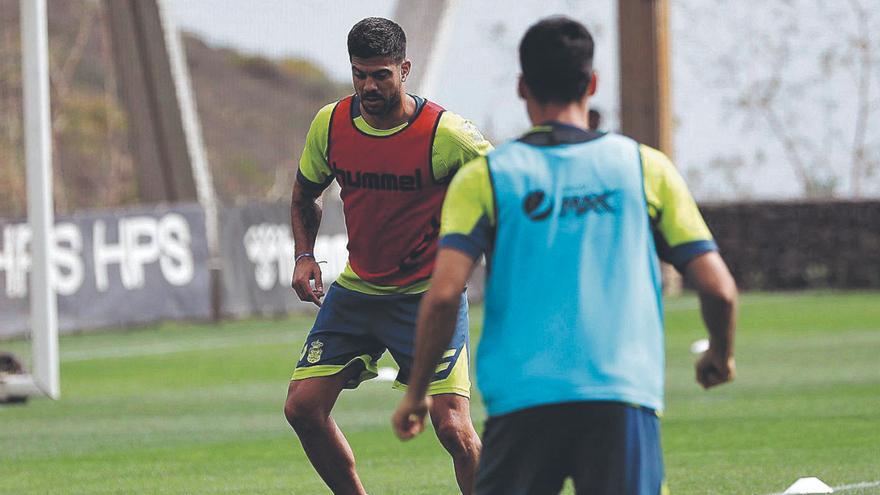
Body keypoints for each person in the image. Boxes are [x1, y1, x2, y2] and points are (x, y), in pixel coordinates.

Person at [392, 16, 738, 495]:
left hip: (522, 401)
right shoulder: (644, 168)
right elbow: (719, 288)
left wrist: (416, 393)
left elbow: (445, 294)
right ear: (592, 83)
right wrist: (719, 354)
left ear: (521, 87)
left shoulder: (486, 178)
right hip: (621, 398)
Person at [284, 17, 491, 495]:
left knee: (453, 428)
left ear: (405, 70)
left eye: (381, 74)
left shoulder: (447, 134)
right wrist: (303, 255)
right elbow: (305, 193)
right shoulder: (331, 123)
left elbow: (505, 188)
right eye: (360, 74)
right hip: (358, 292)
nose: (369, 86)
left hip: (427, 298)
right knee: (302, 409)